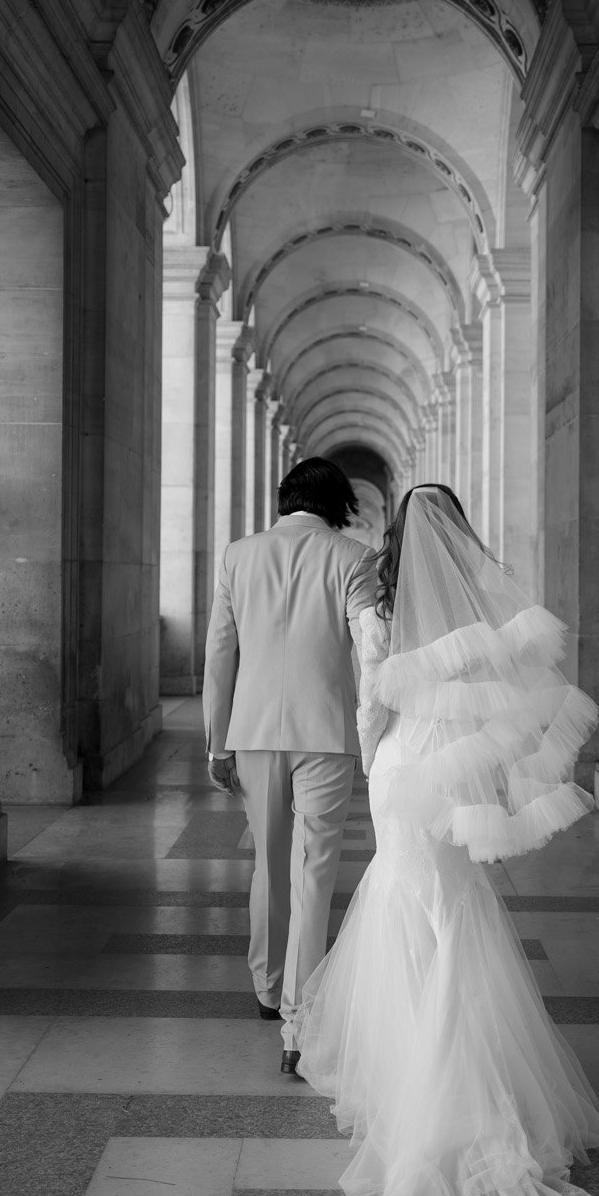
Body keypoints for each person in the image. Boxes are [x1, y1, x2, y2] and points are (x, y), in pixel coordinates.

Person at [294, 484, 599, 1196]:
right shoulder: (478, 604)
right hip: (451, 769)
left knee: (405, 899)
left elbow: (370, 697)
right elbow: (508, 699)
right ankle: (449, 1062)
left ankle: (419, 1077)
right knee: (449, 904)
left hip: (398, 765)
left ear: (397, 536)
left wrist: (367, 757)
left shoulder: (380, 598)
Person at [203, 456, 377, 1071]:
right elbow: (368, 652)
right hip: (326, 732)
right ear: (338, 504)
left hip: (252, 731)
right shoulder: (354, 557)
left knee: (269, 863)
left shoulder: (238, 555)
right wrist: (376, 734)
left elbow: (220, 652)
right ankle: (303, 1011)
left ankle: (267, 990)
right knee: (314, 870)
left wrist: (217, 741)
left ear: (284, 499)